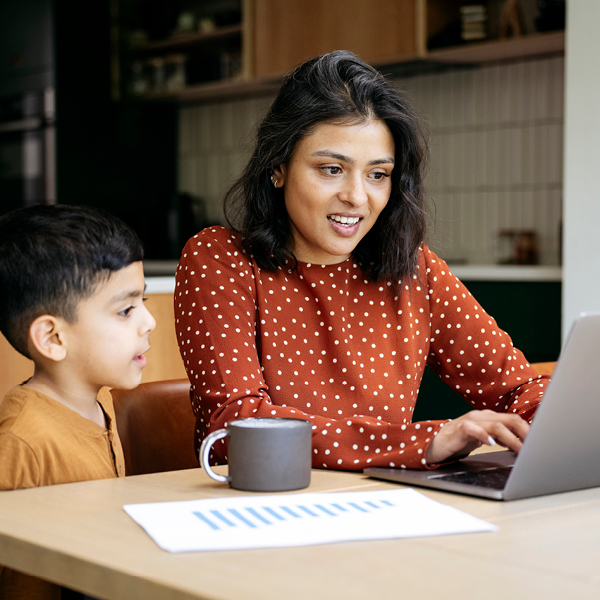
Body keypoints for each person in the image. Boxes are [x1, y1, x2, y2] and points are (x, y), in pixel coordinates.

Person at [174, 50, 549, 472]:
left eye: (378, 174)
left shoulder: (413, 268)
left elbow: (520, 387)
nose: (357, 196)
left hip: (382, 508)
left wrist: (552, 431)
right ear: (278, 167)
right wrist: (424, 442)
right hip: (265, 512)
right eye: (332, 169)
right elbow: (236, 428)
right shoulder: (220, 259)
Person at [0, 204, 156, 599]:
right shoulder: (21, 440)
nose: (148, 322)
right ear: (53, 338)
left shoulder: (97, 404)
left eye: (143, 302)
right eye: (125, 310)